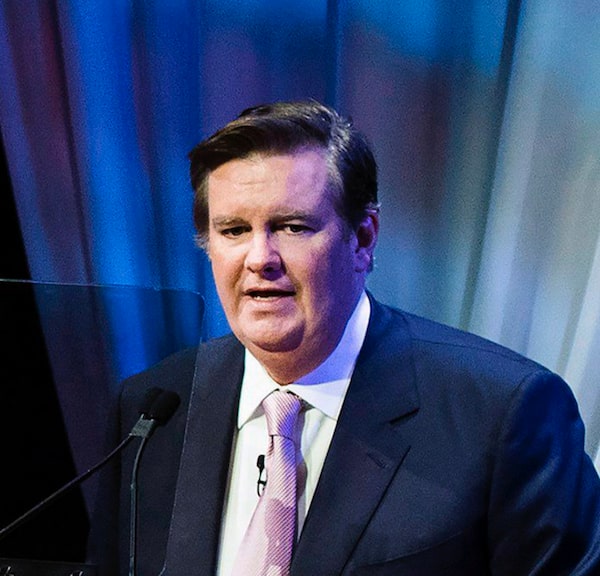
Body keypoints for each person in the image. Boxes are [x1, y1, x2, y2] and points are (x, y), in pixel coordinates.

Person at [88, 101, 600, 575]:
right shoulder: (154, 409)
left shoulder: (502, 414)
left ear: (363, 238)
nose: (260, 259)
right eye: (234, 230)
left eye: (292, 227)